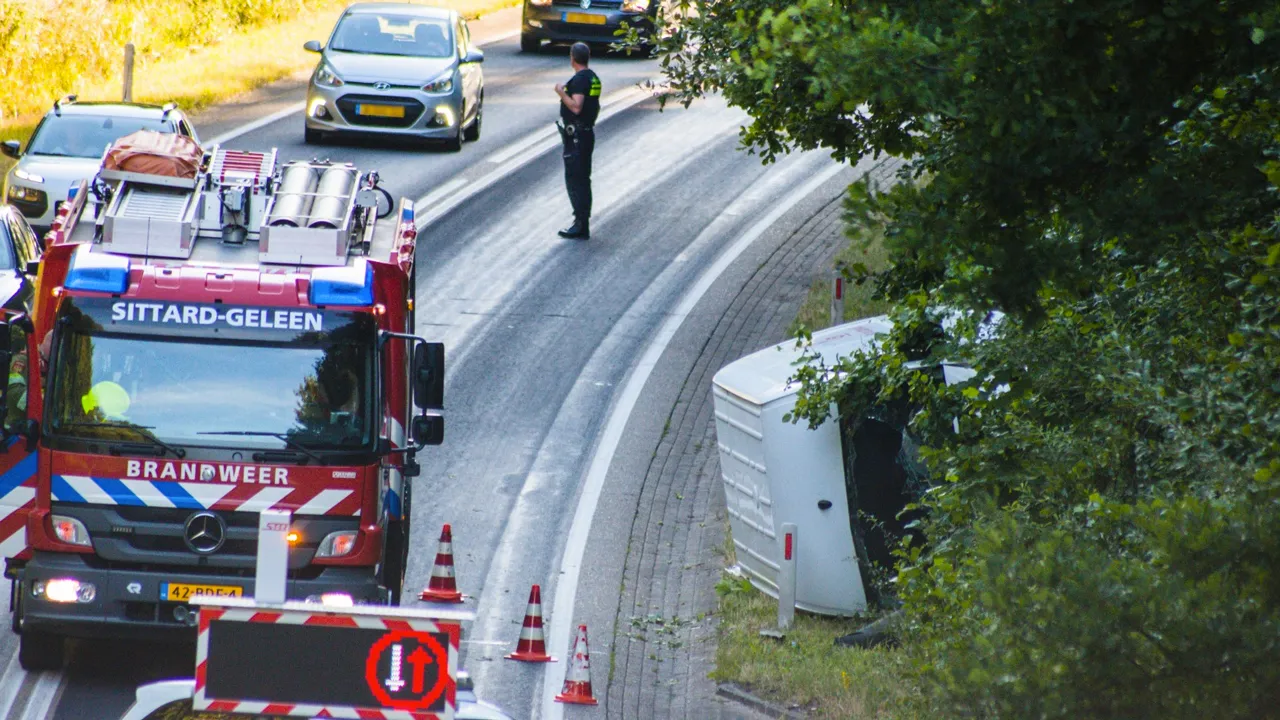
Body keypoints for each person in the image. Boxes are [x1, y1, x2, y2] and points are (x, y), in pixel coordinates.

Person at [554, 42, 601, 240]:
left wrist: (561, 92)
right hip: (585, 134)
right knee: (583, 179)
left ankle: (580, 224)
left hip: (577, 137)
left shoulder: (580, 79)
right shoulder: (592, 77)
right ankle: (582, 222)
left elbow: (576, 106)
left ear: (572, 58)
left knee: (575, 180)